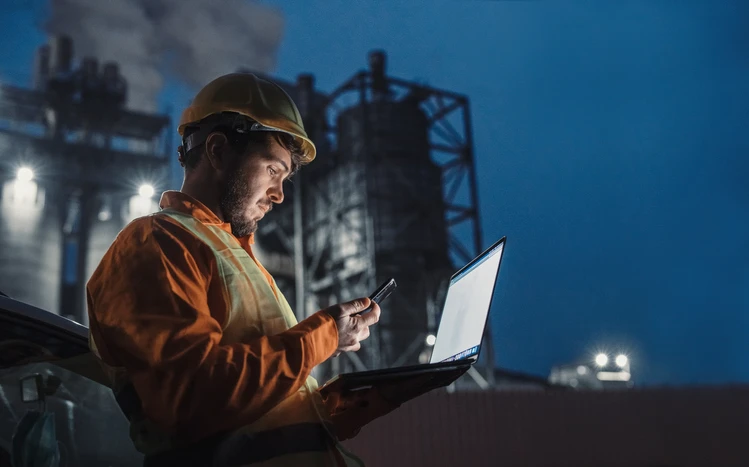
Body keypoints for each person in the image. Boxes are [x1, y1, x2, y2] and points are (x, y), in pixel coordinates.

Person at [86, 73, 403, 466]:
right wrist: (321, 336)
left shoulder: (233, 254)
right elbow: (190, 397)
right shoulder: (159, 242)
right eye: (273, 169)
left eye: (285, 178)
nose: (280, 194)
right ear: (218, 150)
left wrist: (345, 402)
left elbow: (256, 413)